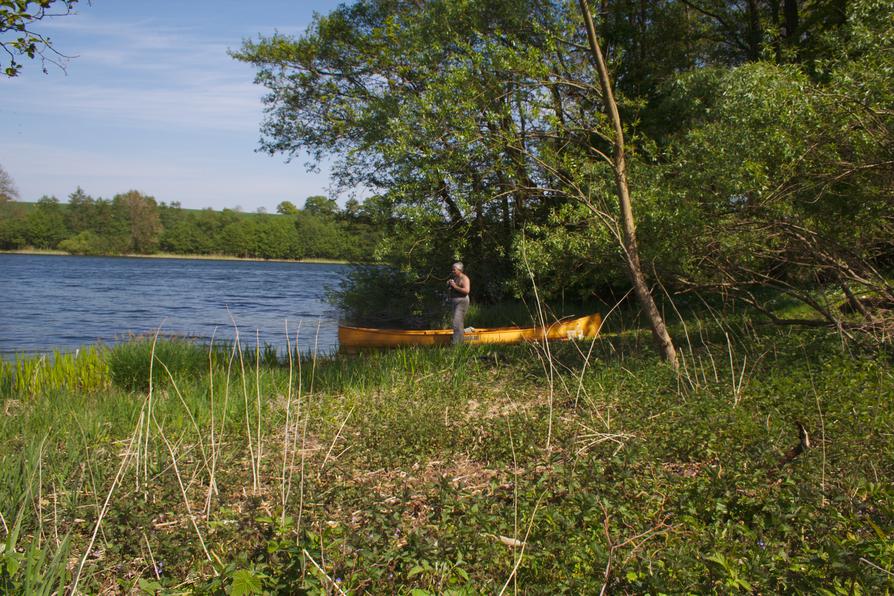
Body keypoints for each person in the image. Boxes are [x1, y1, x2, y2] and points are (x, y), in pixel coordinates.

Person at [447, 262, 471, 345]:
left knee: (456, 322)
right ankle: (461, 343)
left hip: (462, 302)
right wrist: (450, 285)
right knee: (458, 323)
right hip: (455, 302)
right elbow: (453, 290)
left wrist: (455, 286)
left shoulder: (464, 278)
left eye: (454, 269)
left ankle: (455, 344)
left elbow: (467, 291)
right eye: (452, 269)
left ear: (459, 270)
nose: (452, 271)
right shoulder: (455, 278)